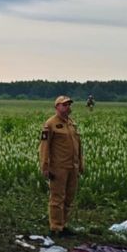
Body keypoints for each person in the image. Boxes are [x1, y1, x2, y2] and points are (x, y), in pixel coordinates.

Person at [38, 95, 83, 237]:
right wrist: (45, 166)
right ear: (56, 107)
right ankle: (56, 227)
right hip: (58, 167)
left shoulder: (71, 123)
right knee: (57, 198)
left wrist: (81, 164)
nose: (67, 107)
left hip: (72, 167)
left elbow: (78, 146)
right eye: (64, 105)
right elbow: (44, 147)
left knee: (69, 197)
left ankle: (63, 225)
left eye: (69, 104)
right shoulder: (50, 124)